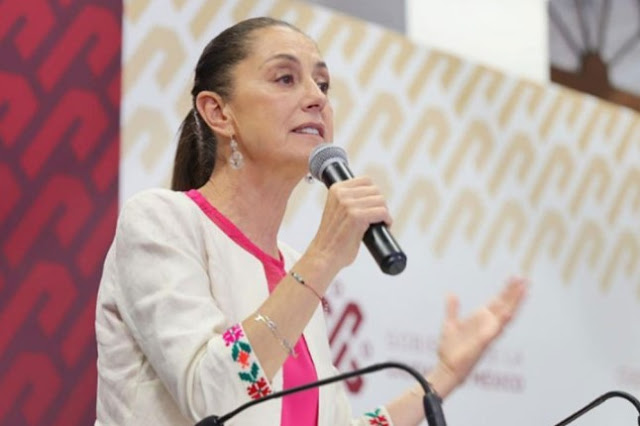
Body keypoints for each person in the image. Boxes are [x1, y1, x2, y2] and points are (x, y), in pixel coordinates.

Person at [95, 17, 527, 426]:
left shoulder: (294, 270)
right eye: (285, 78)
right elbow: (213, 401)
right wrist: (323, 259)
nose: (317, 98)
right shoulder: (159, 221)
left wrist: (446, 375)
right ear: (218, 112)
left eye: (323, 84)